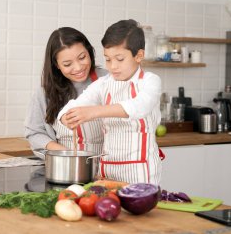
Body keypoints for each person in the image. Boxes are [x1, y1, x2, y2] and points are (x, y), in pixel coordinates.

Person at [58, 20, 163, 184]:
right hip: (108, 170)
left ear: (139, 56)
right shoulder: (103, 84)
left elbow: (139, 106)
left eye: (119, 59)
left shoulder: (150, 81)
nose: (113, 66)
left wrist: (94, 112)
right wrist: (66, 116)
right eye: (108, 59)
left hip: (141, 171)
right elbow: (77, 103)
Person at [24, 27, 108, 155]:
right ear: (56, 65)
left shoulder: (109, 80)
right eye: (67, 64)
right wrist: (67, 154)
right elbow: (35, 132)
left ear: (89, 51)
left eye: (82, 57)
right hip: (66, 166)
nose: (78, 67)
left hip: (109, 166)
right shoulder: (45, 92)